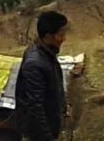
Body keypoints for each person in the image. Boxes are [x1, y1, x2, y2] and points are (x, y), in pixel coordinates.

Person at [12, 10, 70, 141]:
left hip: (48, 129)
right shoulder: (35, 64)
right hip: (38, 135)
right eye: (60, 35)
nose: (64, 39)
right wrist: (48, 138)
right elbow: (35, 108)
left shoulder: (47, 53)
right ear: (48, 36)